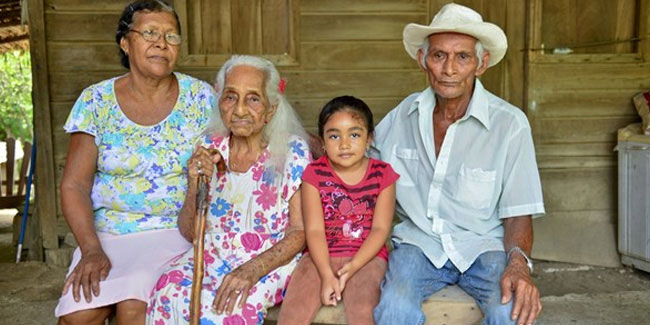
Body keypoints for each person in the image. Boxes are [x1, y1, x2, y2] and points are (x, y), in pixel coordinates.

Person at [371, 3, 545, 325]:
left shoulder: (510, 125)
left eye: (462, 56)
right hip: (417, 244)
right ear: (424, 60)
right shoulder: (403, 115)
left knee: (510, 311)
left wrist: (519, 265)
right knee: (394, 307)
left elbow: (519, 211)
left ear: (481, 64)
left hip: (483, 247)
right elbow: (360, 161)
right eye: (439, 56)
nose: (449, 68)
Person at [55, 1, 215, 324]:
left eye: (171, 36)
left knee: (135, 309)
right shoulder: (95, 101)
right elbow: (74, 184)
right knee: (77, 317)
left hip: (174, 233)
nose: (161, 43)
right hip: (106, 237)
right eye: (151, 33)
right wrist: (90, 249)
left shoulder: (201, 98)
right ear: (125, 43)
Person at [146, 55, 311, 324]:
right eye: (231, 97)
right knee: (168, 288)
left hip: (269, 262)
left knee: (229, 309)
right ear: (220, 101)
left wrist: (252, 269)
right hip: (211, 255)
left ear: (271, 109)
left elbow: (299, 232)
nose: (241, 110)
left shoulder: (292, 151)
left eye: (253, 99)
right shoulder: (209, 146)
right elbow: (190, 233)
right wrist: (194, 184)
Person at [278, 96, 399, 324]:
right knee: (293, 311)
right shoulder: (314, 174)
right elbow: (314, 230)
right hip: (319, 254)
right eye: (334, 135)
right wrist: (326, 275)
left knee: (364, 309)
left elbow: (380, 230)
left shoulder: (383, 174)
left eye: (354, 134)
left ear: (369, 139)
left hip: (366, 256)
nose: (344, 144)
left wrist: (351, 268)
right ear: (322, 142)